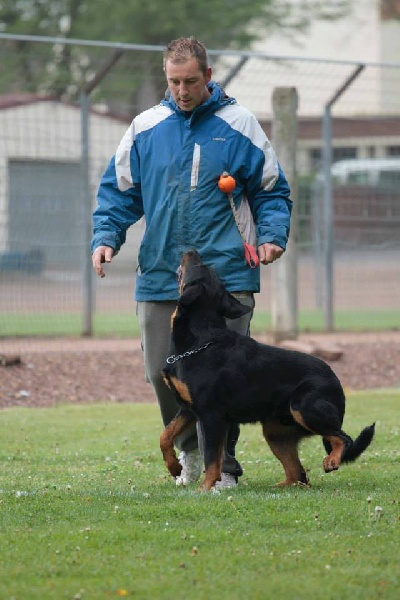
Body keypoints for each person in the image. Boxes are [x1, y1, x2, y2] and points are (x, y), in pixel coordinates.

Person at [91, 37, 292, 489]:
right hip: (162, 270)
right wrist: (106, 237)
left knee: (225, 379)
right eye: (174, 82)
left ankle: (225, 468)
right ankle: (191, 453)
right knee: (159, 370)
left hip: (227, 272)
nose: (182, 91)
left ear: (208, 76)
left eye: (191, 81)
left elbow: (271, 191)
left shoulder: (240, 124)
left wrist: (272, 236)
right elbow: (119, 193)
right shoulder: (145, 127)